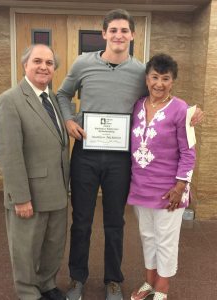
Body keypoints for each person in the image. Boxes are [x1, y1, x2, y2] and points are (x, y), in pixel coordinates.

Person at [57, 9, 202, 300]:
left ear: (132, 35)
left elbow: (159, 95)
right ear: (104, 34)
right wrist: (69, 119)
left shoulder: (140, 71)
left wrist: (191, 113)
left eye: (124, 30)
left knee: (115, 221)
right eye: (113, 30)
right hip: (85, 152)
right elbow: (62, 94)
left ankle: (113, 280)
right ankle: (77, 279)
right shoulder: (83, 63)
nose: (119, 35)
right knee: (81, 220)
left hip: (120, 158)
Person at [0, 44, 69, 300]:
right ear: (25, 65)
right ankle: (28, 292)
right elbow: (9, 153)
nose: (43, 67)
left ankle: (47, 284)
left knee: (53, 245)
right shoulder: (10, 100)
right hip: (29, 195)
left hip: (57, 191)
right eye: (37, 61)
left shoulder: (53, 99)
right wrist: (20, 197)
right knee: (25, 248)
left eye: (49, 63)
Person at [128, 53, 196, 300]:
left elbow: (188, 152)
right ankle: (149, 282)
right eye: (154, 77)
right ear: (147, 79)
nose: (159, 83)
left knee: (166, 240)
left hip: (170, 189)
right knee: (147, 237)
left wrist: (180, 186)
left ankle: (163, 287)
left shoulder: (181, 109)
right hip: (140, 186)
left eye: (165, 78)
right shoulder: (137, 106)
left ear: (172, 81)